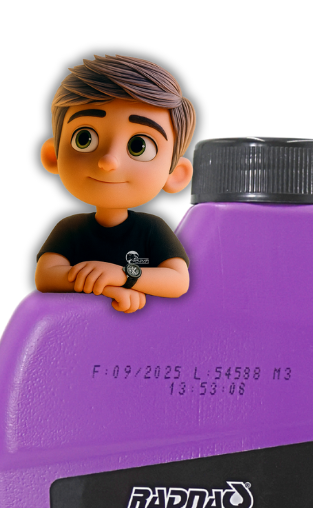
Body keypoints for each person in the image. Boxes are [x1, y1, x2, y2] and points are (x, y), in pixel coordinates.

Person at [36, 55, 195, 314]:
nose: (108, 161)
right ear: (53, 156)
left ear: (176, 174)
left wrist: (123, 275)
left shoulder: (152, 229)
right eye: (84, 139)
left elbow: (178, 281)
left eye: (138, 146)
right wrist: (107, 288)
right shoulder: (70, 229)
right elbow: (45, 276)